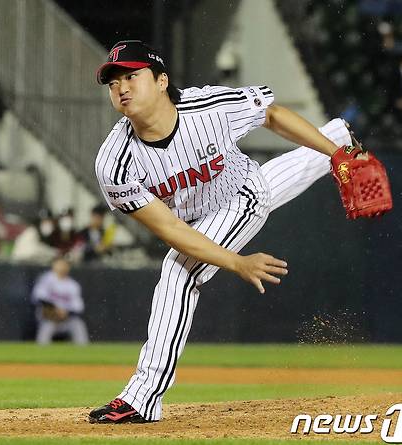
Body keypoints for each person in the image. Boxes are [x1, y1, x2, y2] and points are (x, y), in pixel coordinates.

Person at [88, 40, 354, 424]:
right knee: (259, 193)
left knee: (178, 272)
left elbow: (273, 115)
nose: (122, 88)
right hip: (193, 220)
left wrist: (335, 156)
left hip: (239, 193)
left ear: (162, 80)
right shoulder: (114, 163)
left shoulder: (208, 109)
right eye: (113, 83)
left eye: (132, 76)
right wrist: (236, 262)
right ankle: (342, 137)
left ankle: (142, 398)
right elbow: (170, 228)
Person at [31, 257, 89, 345]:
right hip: (49, 318)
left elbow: (78, 307)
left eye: (65, 264)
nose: (62, 267)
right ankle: (41, 353)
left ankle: (84, 355)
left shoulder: (73, 284)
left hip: (67, 319)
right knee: (46, 330)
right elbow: (38, 297)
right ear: (54, 265)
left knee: (78, 325)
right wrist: (55, 309)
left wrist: (66, 313)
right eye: (59, 264)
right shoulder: (46, 279)